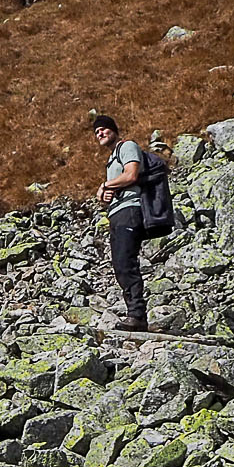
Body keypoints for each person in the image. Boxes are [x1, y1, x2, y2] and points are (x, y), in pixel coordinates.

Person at [91, 115, 148, 331]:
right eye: (97, 132)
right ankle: (135, 314)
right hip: (116, 213)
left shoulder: (128, 146)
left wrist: (105, 185)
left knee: (126, 262)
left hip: (130, 211)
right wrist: (104, 195)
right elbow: (116, 186)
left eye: (104, 129)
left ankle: (137, 316)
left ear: (114, 130)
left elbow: (131, 174)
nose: (101, 134)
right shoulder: (112, 158)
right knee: (120, 265)